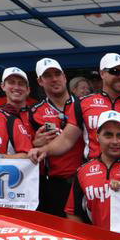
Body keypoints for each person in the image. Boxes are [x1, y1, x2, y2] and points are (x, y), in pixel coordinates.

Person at [32, 53, 120, 170]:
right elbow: (67, 139)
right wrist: (44, 150)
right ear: (102, 73)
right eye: (114, 71)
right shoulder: (82, 104)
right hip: (95, 174)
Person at [29, 58, 85, 217]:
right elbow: (26, 148)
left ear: (65, 76)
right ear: (40, 81)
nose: (54, 79)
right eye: (47, 76)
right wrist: (34, 143)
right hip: (56, 184)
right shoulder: (34, 112)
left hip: (86, 180)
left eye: (57, 73)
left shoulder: (84, 105)